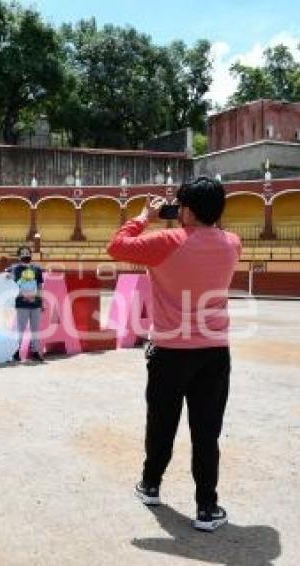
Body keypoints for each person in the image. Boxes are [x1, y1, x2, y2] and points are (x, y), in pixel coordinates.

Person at [106, 176, 242, 532]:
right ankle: (207, 507)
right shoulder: (232, 244)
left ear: (188, 210)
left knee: (162, 422)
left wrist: (144, 217)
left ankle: (151, 484)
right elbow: (213, 235)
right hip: (213, 350)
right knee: (207, 431)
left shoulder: (167, 241)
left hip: (170, 349)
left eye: (181, 205)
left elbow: (117, 246)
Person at [7, 245, 45, 362]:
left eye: (27, 252)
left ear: (30, 254)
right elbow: (9, 281)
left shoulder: (37, 269)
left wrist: (41, 301)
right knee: (20, 329)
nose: (25, 255)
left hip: (35, 303)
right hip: (21, 303)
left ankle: (35, 351)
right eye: (22, 253)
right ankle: (16, 351)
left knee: (36, 329)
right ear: (18, 256)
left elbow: (39, 286)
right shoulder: (15, 269)